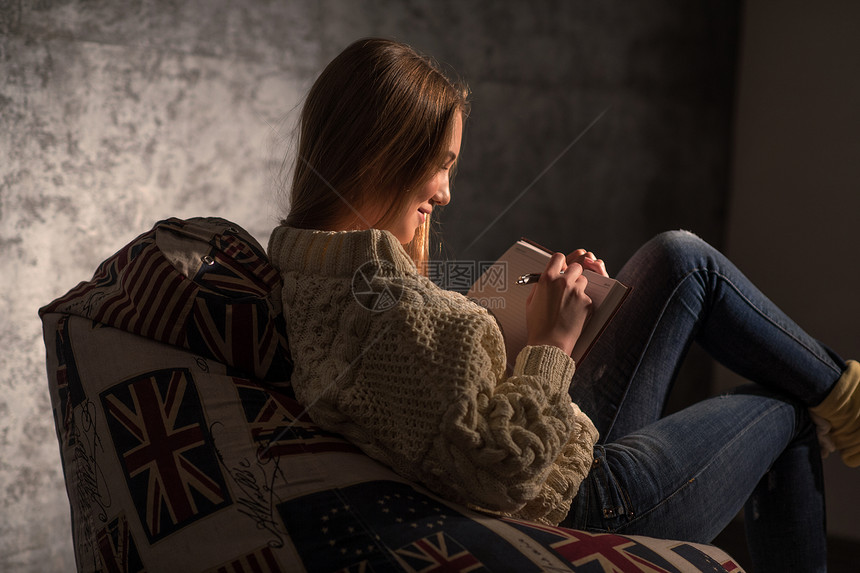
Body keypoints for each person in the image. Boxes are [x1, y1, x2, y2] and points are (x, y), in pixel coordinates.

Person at [267, 38, 859, 571]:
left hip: (551, 438)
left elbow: (437, 389)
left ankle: (847, 397)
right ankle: (845, 403)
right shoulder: (392, 312)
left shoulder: (309, 263)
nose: (446, 193)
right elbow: (504, 471)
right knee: (789, 404)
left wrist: (543, 324)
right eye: (441, 165)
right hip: (582, 502)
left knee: (680, 261)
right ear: (380, 155)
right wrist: (553, 343)